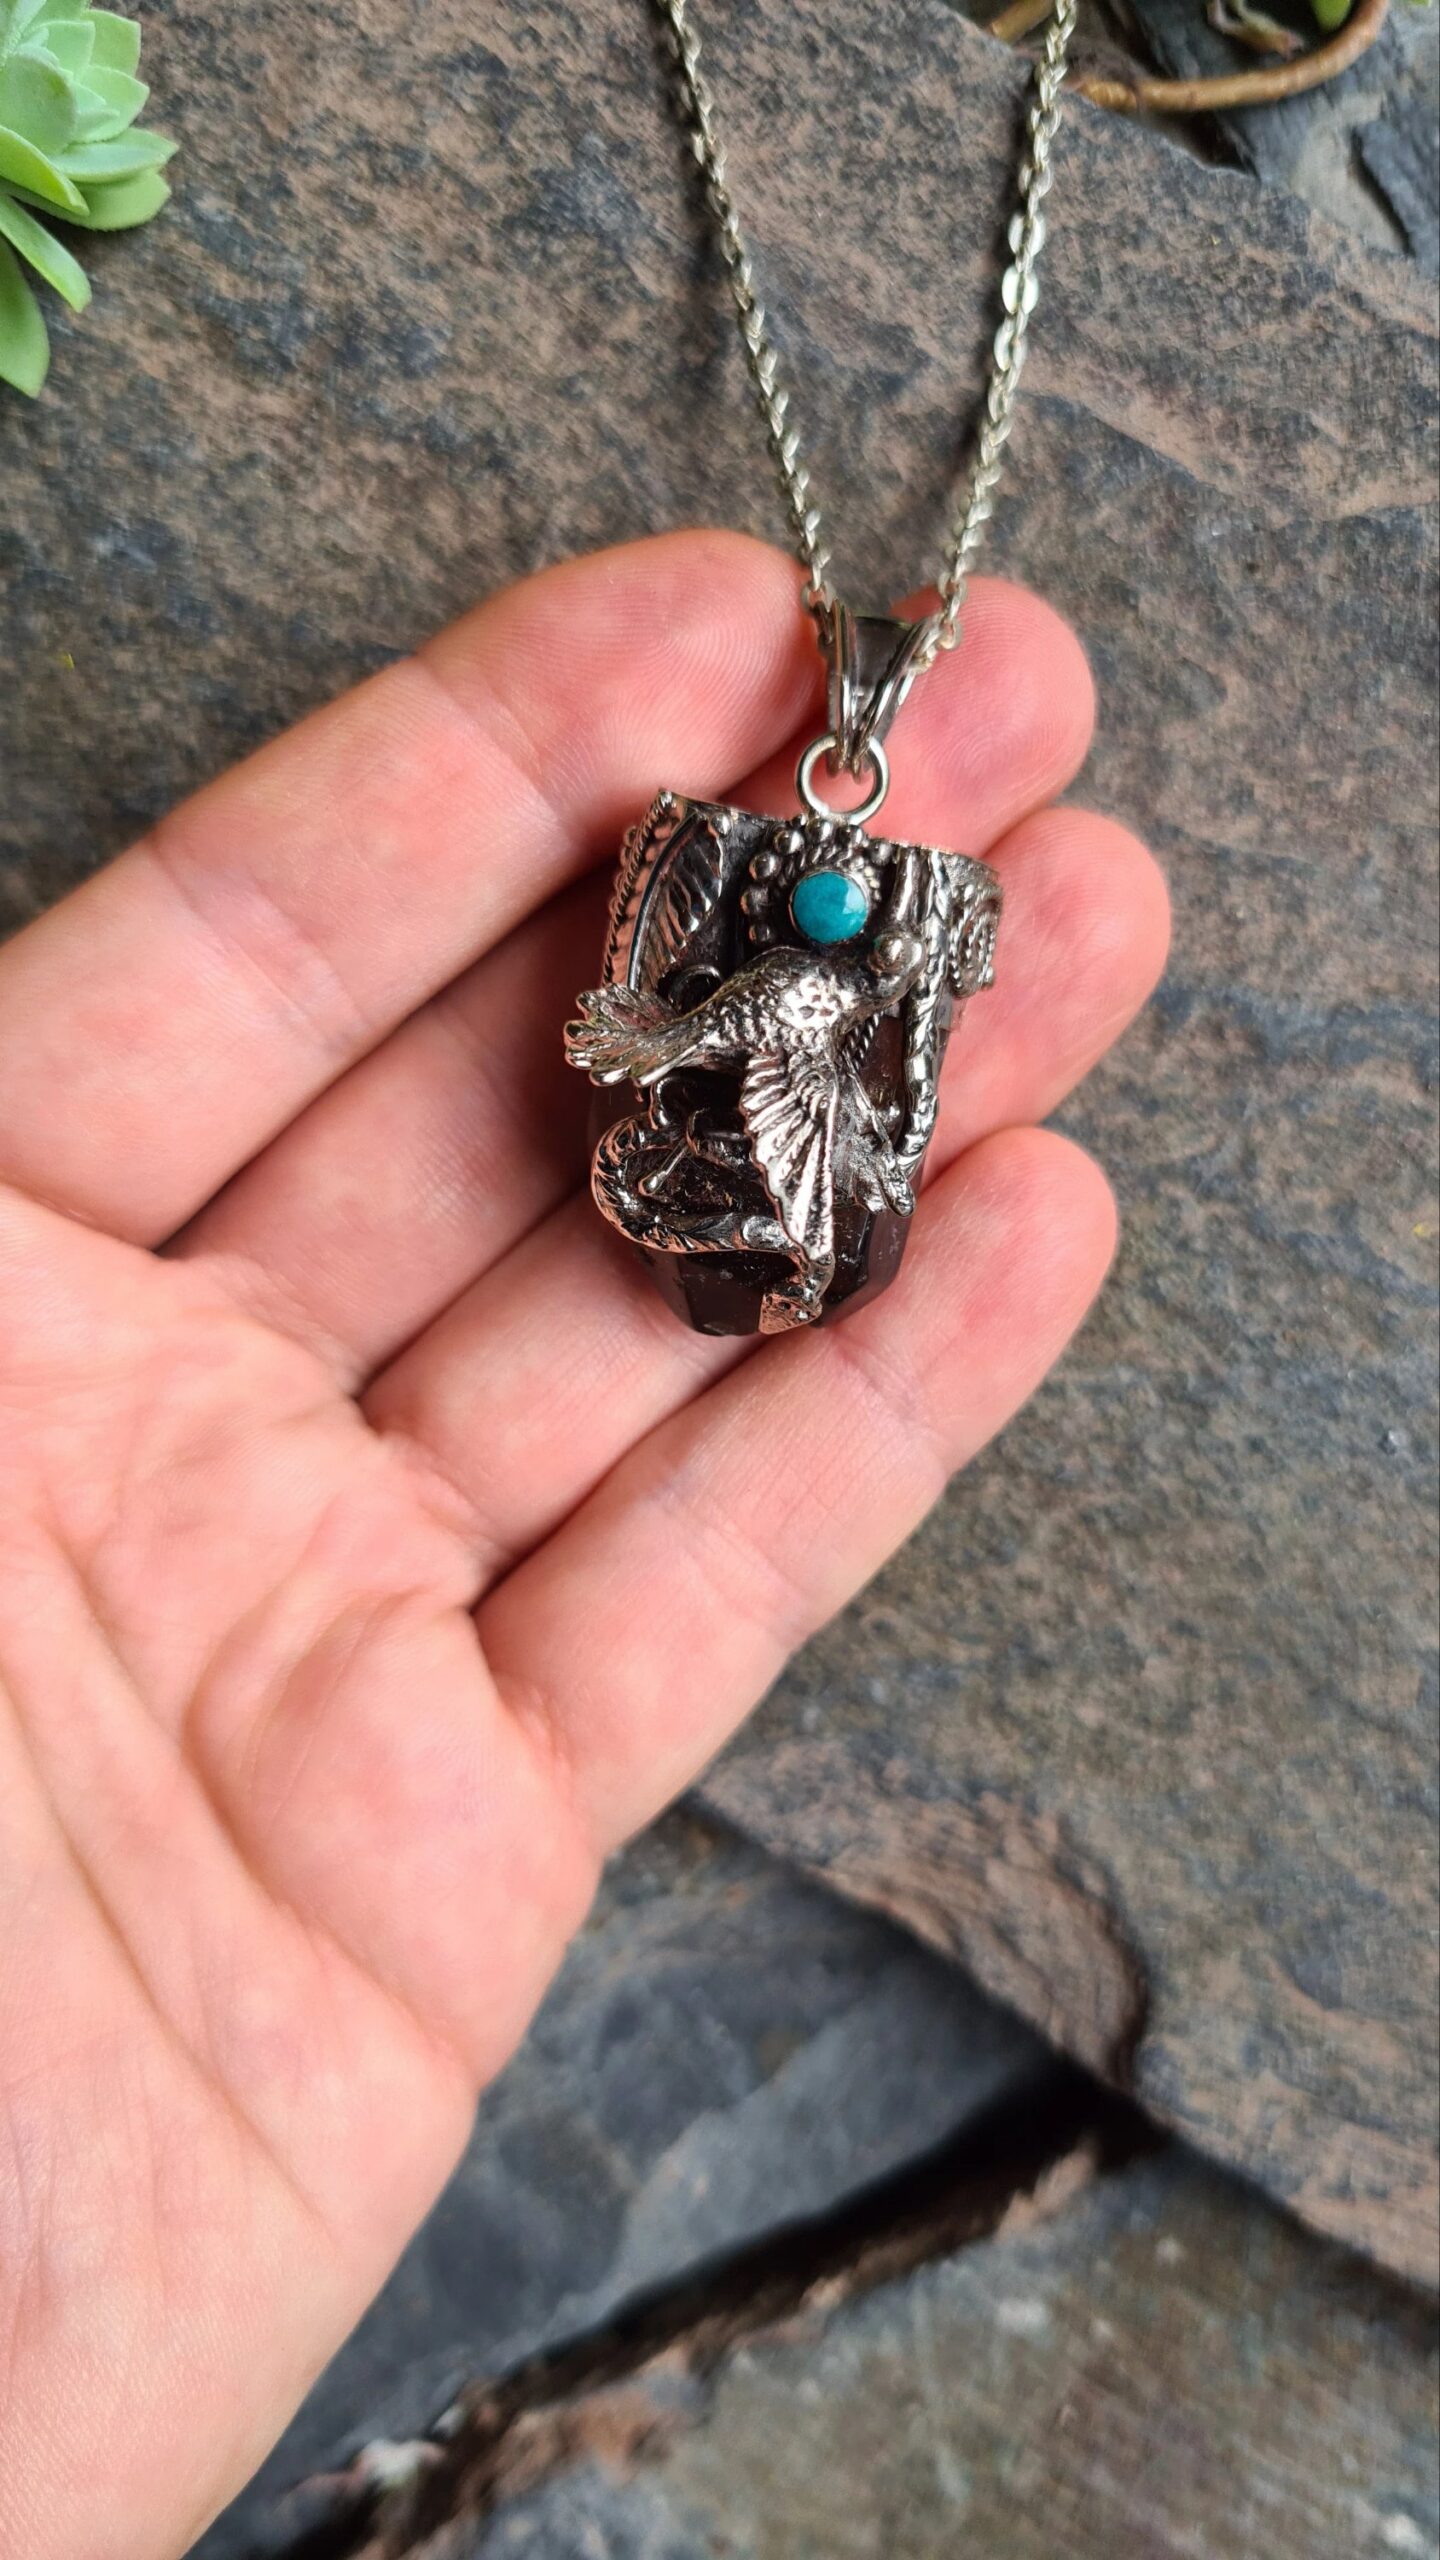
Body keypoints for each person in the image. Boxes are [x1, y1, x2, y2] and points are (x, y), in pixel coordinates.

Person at [0, 531, 1169, 2558]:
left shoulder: (818, 980)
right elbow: (707, 1038)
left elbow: (768, 1046)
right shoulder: (780, 964)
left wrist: (672, 1042)